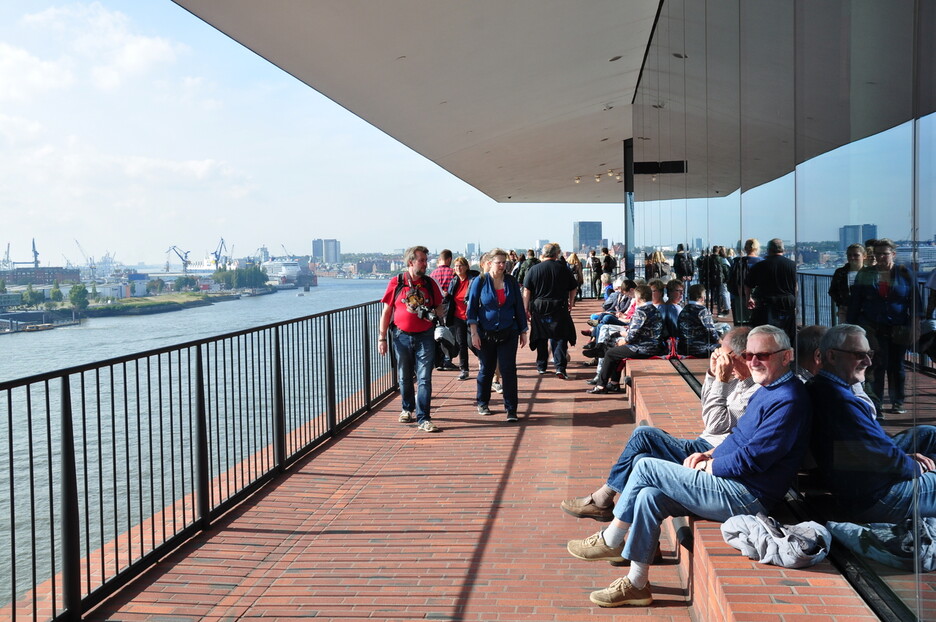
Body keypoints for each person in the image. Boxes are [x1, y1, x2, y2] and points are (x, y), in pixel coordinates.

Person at [568, 325, 810, 607]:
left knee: (646, 466)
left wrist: (710, 466)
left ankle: (612, 538)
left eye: (763, 356)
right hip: (733, 485)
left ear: (787, 356)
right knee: (649, 496)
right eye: (749, 355)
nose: (754, 362)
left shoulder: (788, 400)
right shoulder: (769, 389)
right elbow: (739, 438)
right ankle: (636, 583)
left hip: (747, 496)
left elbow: (754, 459)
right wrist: (709, 453)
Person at [563, 327, 756, 521]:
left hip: (710, 450)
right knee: (641, 459)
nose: (720, 357)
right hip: (703, 443)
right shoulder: (737, 377)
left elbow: (714, 425)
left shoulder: (753, 390)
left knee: (644, 434)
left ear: (742, 356)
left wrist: (721, 381)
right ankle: (637, 542)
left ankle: (603, 500)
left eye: (724, 354)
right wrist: (713, 375)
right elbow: (707, 408)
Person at [808, 324, 936, 522]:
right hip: (876, 497)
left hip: (856, 476)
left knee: (928, 434)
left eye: (869, 354)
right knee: (925, 462)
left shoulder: (822, 388)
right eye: (859, 355)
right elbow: (878, 452)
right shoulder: (841, 403)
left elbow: (862, 450)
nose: (868, 361)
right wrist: (914, 467)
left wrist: (902, 458)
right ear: (832, 356)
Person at [847, 238, 919, 415]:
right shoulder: (865, 274)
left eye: (884, 253)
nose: (880, 257)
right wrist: (852, 328)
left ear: (892, 254)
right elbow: (855, 303)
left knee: (897, 366)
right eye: (877, 253)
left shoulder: (905, 274)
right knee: (876, 366)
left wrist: (916, 327)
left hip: (899, 327)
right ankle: (876, 404)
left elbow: (915, 302)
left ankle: (898, 401)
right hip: (873, 328)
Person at [378, 245, 445, 432]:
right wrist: (382, 338)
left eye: (426, 260)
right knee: (405, 376)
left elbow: (440, 307)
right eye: (422, 260)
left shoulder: (430, 284)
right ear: (411, 262)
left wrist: (434, 315)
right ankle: (407, 408)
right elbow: (387, 311)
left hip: (425, 335)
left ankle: (423, 417)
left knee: (424, 378)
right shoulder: (397, 282)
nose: (425, 264)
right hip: (401, 336)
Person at [467, 248, 528, 422]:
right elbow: (471, 309)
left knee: (508, 370)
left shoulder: (511, 282)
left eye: (504, 262)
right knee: (486, 369)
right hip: (486, 333)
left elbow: (519, 308)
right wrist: (473, 333)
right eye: (499, 262)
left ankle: (511, 409)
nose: (502, 266)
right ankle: (483, 402)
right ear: (489, 263)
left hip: (509, 331)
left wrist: (523, 331)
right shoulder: (480, 281)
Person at [586, 284, 665, 394]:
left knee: (610, 353)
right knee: (615, 345)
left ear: (639, 298)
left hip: (642, 348)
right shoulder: (654, 310)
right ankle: (613, 382)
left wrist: (623, 340)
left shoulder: (641, 311)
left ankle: (601, 385)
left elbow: (631, 336)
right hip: (653, 345)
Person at [523, 243, 578, 379]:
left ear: (543, 254)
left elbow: (526, 290)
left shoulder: (534, 269)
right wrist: (571, 302)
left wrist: (526, 308)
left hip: (539, 306)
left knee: (541, 336)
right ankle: (560, 367)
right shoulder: (563, 269)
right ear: (556, 254)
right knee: (560, 337)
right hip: (559, 306)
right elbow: (573, 287)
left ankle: (542, 366)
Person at [744, 238, 797, 343]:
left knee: (765, 330)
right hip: (787, 301)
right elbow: (795, 287)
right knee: (788, 330)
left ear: (769, 250)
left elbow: (748, 284)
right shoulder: (792, 265)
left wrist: (748, 298)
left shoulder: (760, 266)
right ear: (783, 249)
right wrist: (796, 301)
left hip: (767, 302)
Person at [445, 256, 477, 381]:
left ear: (466, 267)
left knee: (473, 343)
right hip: (458, 316)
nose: (458, 268)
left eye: (461, 265)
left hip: (472, 316)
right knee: (461, 343)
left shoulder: (473, 280)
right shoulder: (454, 281)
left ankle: (485, 362)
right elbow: (449, 298)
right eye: (456, 266)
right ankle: (464, 370)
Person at [430, 249, 459, 371]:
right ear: (449, 259)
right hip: (450, 306)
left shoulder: (432, 275)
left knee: (438, 333)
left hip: (436, 307)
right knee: (450, 333)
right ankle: (448, 359)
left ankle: (439, 359)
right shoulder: (453, 273)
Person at [677, 284, 721, 357]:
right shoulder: (702, 311)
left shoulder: (683, 310)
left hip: (684, 349)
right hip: (701, 349)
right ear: (702, 297)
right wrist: (721, 342)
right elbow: (711, 332)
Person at [828, 244, 865, 324]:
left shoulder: (869, 272)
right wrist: (841, 304)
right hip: (846, 311)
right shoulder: (840, 272)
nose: (852, 258)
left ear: (864, 256)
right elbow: (832, 291)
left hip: (865, 312)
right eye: (849, 255)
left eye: (856, 255)